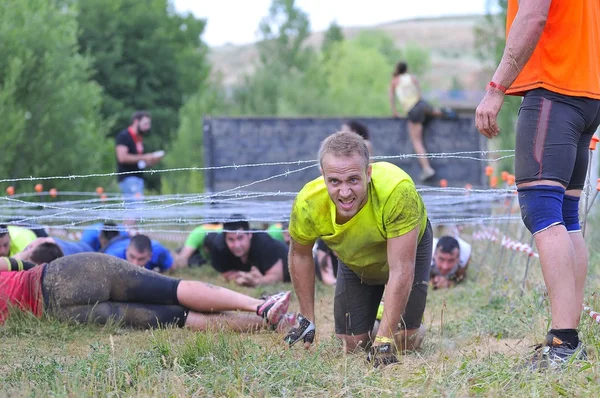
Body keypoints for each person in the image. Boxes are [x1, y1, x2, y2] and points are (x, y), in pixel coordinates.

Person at [475, 0, 600, 368]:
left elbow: (533, 14)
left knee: (542, 210)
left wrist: (496, 87)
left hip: (554, 88)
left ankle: (563, 343)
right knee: (565, 214)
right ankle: (568, 338)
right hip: (587, 91)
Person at [284, 131, 432, 367]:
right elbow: (300, 254)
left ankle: (396, 321)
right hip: (356, 257)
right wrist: (306, 318)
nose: (344, 192)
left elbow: (402, 269)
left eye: (353, 180)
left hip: (404, 249)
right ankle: (382, 315)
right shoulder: (307, 203)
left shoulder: (398, 191)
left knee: (403, 341)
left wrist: (384, 340)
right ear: (323, 177)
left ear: (368, 173)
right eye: (334, 182)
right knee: (351, 345)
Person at [0, 252, 292, 332]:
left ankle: (265, 324)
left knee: (177, 318)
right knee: (173, 289)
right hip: (57, 276)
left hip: (57, 314)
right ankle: (260, 306)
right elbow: (22, 264)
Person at [389, 62, 456, 182]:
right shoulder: (412, 78)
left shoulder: (395, 80)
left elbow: (391, 97)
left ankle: (427, 169)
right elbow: (419, 92)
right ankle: (445, 112)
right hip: (421, 104)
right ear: (406, 69)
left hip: (412, 109)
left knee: (416, 141)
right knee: (432, 111)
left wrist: (395, 112)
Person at [206, 217, 290, 287]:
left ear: (249, 234)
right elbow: (225, 273)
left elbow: (277, 277)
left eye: (240, 238)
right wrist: (242, 276)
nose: (237, 245)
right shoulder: (219, 246)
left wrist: (256, 282)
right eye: (231, 239)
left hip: (287, 263)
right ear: (224, 239)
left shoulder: (264, 242)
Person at [115, 111, 164, 200]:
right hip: (128, 178)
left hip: (138, 178)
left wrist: (151, 161)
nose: (148, 127)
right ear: (136, 121)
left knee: (137, 210)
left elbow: (138, 162)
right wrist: (145, 157)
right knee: (134, 210)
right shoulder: (124, 136)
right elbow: (122, 158)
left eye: (149, 124)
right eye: (145, 124)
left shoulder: (139, 138)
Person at [102, 234, 175, 273]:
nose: (135, 263)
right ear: (126, 250)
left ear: (150, 256)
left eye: (141, 259)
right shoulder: (113, 257)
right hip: (111, 243)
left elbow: (171, 268)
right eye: (132, 256)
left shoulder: (159, 253)